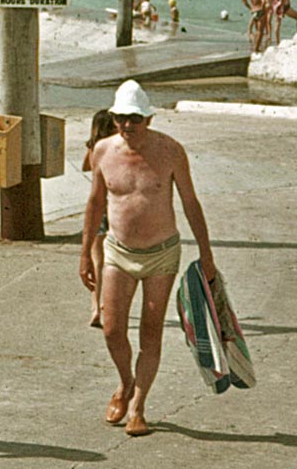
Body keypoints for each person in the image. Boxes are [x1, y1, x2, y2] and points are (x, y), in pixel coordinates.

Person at [79, 80, 216, 437]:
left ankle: (138, 406)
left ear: (149, 119)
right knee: (112, 330)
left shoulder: (171, 151)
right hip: (118, 253)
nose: (127, 125)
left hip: (161, 254)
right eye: (121, 118)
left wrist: (207, 255)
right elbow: (95, 205)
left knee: (150, 332)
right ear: (113, 118)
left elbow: (190, 203)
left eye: (135, 119)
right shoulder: (103, 151)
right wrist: (84, 255)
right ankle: (125, 383)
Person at [81, 110, 117, 330]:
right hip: (114, 205)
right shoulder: (114, 146)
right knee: (113, 258)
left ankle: (95, 306)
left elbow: (86, 165)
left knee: (96, 259)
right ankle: (107, 303)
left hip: (96, 207)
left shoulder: (94, 147)